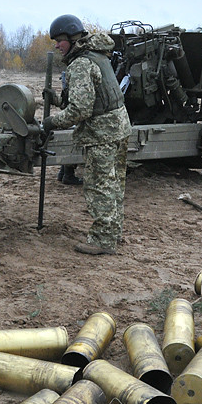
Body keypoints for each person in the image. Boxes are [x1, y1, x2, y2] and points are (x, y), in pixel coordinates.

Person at [42, 14, 132, 255]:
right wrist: (58, 99)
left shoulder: (81, 63)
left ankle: (103, 240)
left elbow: (80, 110)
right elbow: (87, 99)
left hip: (102, 134)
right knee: (114, 185)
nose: (57, 46)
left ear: (72, 38)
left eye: (60, 40)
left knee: (99, 186)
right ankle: (113, 232)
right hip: (119, 128)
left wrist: (51, 122)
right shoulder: (97, 56)